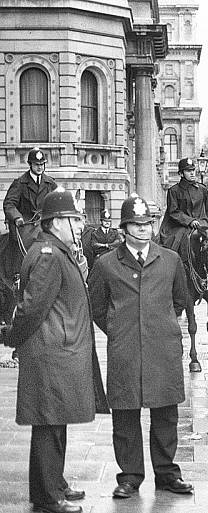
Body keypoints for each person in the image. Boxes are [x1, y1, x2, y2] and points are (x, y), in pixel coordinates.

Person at [0, 188, 107, 513]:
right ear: (56, 222)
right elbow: (32, 308)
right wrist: (11, 337)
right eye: (74, 219)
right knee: (48, 425)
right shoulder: (48, 254)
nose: (79, 225)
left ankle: (54, 483)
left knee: (54, 423)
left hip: (58, 353)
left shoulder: (56, 250)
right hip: (51, 355)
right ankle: (47, 498)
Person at [88, 195, 192, 499]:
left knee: (165, 413)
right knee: (125, 415)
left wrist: (157, 327)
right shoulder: (106, 264)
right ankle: (130, 476)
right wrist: (121, 330)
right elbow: (97, 307)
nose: (144, 229)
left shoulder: (170, 260)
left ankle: (167, 473)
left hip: (162, 349)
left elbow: (179, 301)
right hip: (126, 351)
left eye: (147, 223)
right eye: (136, 224)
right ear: (124, 229)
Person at [158, 157, 208, 296]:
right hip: (180, 226)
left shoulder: (202, 189)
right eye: (188, 171)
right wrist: (189, 221)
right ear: (181, 173)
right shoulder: (174, 191)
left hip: (203, 224)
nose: (192, 173)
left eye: (193, 170)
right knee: (173, 246)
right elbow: (173, 212)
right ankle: (169, 278)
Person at [3, 148, 59, 269]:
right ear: (30, 165)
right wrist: (17, 217)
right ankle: (18, 274)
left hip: (44, 222)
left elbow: (60, 200)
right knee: (26, 244)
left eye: (42, 164)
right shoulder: (20, 183)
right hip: (25, 223)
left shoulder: (50, 183)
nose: (40, 167)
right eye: (36, 164)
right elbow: (9, 204)